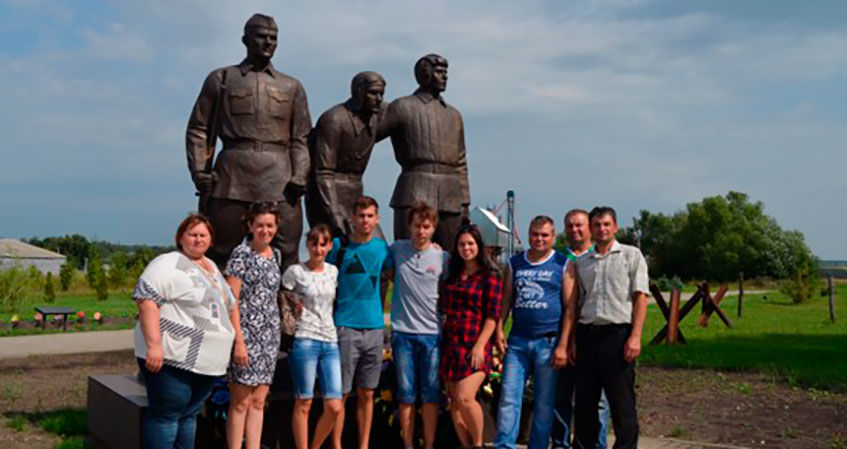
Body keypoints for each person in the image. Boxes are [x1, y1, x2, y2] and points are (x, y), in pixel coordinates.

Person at [186, 13, 311, 270]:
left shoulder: (292, 87)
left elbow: (301, 138)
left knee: (286, 251)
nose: (268, 43)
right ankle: (218, 306)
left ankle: (284, 305)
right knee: (221, 251)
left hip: (280, 179)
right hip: (232, 177)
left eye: (273, 38)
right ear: (245, 39)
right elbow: (198, 128)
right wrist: (199, 170)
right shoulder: (222, 80)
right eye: (261, 37)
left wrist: (300, 174)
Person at [133, 214, 237, 449]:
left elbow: (230, 305)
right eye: (193, 234)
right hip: (172, 357)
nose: (198, 240)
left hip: (207, 363)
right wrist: (154, 345)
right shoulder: (166, 263)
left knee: (189, 415)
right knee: (167, 415)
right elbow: (146, 299)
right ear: (181, 238)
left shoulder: (210, 267)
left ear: (211, 240)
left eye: (203, 235)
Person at [565, 207, 649, 449]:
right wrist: (571, 341)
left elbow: (640, 296)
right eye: (597, 225)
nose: (602, 229)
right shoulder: (582, 262)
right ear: (591, 229)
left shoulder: (631, 256)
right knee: (585, 404)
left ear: (615, 227)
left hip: (618, 335)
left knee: (622, 404)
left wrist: (635, 336)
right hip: (587, 335)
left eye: (606, 224)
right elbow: (576, 303)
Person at [494, 216, 572, 449]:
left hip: (548, 341)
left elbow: (570, 307)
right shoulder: (515, 263)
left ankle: (537, 445)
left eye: (545, 235)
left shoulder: (562, 263)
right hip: (518, 341)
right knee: (509, 398)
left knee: (544, 402)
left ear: (553, 237)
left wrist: (563, 344)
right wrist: (499, 329)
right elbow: (506, 299)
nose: (539, 239)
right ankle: (504, 445)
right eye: (535, 234)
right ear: (529, 235)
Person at [378, 53, 469, 249]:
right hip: (414, 189)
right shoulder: (402, 107)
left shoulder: (454, 115)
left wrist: (465, 202)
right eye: (439, 72)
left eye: (446, 72)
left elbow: (461, 161)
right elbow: (371, 136)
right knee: (407, 256)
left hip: (450, 194)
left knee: (450, 259)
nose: (445, 77)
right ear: (424, 74)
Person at [327, 196, 392, 449]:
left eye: (370, 216)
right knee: (340, 394)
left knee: (367, 393)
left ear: (376, 219)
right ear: (352, 218)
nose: (365, 220)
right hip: (345, 326)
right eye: (361, 215)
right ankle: (337, 444)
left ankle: (363, 445)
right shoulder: (338, 247)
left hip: (374, 328)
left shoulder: (382, 249)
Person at [388, 201, 449, 449]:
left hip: (432, 334)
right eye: (417, 226)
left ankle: (430, 443)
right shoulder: (397, 250)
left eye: (426, 227)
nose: (421, 231)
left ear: (433, 228)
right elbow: (389, 273)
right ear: (409, 226)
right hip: (403, 333)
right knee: (406, 394)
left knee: (431, 395)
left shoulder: (443, 257)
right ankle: (409, 443)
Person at [224, 202, 283, 449]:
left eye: (270, 225)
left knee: (259, 400)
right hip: (246, 335)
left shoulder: (276, 255)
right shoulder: (241, 254)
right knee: (241, 402)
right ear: (250, 225)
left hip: (269, 336)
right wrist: (238, 340)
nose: (265, 230)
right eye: (260, 225)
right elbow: (231, 301)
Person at [439, 224, 503, 449]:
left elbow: (492, 316)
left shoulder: (490, 276)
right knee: (455, 401)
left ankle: (478, 443)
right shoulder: (453, 275)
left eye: (470, 244)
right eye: (462, 244)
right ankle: (466, 445)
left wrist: (480, 346)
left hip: (475, 344)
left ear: (479, 246)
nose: (466, 248)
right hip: (451, 343)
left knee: (466, 396)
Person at [552, 209, 611, 449]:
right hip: (562, 335)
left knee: (597, 399)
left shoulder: (599, 255)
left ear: (589, 227)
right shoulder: (558, 258)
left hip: (592, 335)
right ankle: (561, 443)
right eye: (569, 226)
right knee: (561, 395)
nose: (574, 230)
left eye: (579, 225)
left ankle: (595, 444)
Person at [283, 224, 343, 449]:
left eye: (323, 244)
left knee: (335, 404)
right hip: (305, 338)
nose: (318, 249)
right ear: (307, 245)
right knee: (304, 401)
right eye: (314, 243)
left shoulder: (333, 271)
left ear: (328, 246)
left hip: (330, 340)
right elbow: (284, 296)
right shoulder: (295, 272)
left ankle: (315, 445)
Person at [306, 71, 386, 239]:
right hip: (327, 195)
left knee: (379, 248)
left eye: (381, 94)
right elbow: (323, 173)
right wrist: (334, 215)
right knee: (338, 248)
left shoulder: (374, 117)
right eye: (373, 93)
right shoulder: (334, 119)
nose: (378, 99)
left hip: (356, 195)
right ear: (358, 92)